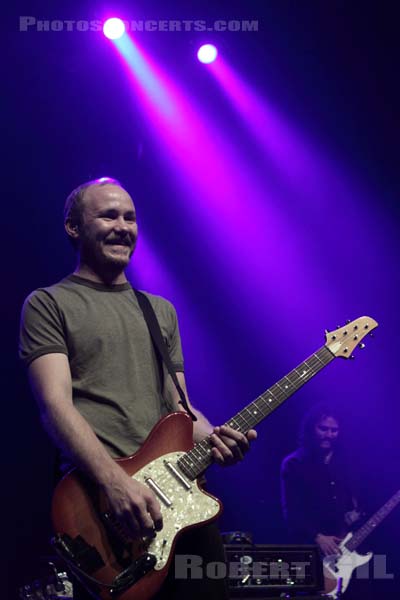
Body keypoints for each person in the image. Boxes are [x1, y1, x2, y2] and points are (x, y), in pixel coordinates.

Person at [19, 177, 257, 599]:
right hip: (104, 508)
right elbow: (54, 405)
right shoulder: (48, 303)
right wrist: (114, 482)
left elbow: (180, 409)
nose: (123, 226)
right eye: (108, 215)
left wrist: (216, 437)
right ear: (73, 227)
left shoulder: (159, 311)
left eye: (130, 217)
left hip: (179, 500)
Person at [280, 404, 360, 557]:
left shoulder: (345, 461)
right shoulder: (294, 463)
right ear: (311, 429)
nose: (329, 434)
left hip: (346, 544)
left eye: (334, 430)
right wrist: (317, 536)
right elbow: (292, 512)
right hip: (312, 547)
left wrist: (355, 512)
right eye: (323, 429)